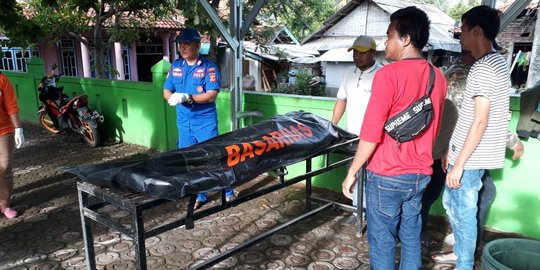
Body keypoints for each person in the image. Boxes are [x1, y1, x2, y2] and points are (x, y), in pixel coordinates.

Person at [341, 7, 447, 269]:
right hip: (421, 173)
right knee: (411, 236)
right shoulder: (438, 76)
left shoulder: (388, 74)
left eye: (389, 36)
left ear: (406, 39)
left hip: (387, 174)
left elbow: (371, 132)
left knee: (383, 240)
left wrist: (353, 170)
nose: (386, 42)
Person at [423, 50, 524, 259]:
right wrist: (512, 141)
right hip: (452, 149)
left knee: (472, 195)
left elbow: (485, 118)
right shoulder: (463, 75)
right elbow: (478, 120)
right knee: (436, 194)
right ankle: (459, 248)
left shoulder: (466, 71)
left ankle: (463, 244)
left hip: (459, 149)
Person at [441, 6, 511, 270]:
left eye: (463, 29)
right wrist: (452, 147)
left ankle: (464, 264)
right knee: (454, 206)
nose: (460, 36)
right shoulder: (498, 62)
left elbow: (480, 120)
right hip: (469, 152)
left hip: (470, 157)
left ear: (476, 31)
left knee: (463, 212)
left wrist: (459, 162)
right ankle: (462, 255)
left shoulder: (483, 68)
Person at [163, 28, 234, 209]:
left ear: (197, 45)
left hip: (205, 122)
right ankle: (199, 195)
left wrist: (189, 97)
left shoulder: (209, 67)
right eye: (180, 44)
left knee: (213, 157)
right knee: (190, 160)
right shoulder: (176, 66)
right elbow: (166, 89)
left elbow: (211, 95)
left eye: (186, 43)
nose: (182, 47)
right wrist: (171, 97)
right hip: (184, 122)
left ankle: (227, 190)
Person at [331, 35, 381, 216]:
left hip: (373, 138)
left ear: (373, 53)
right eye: (355, 52)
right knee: (352, 174)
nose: (357, 56)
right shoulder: (347, 74)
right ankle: (357, 212)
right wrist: (333, 125)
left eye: (362, 52)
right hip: (351, 136)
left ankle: (367, 213)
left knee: (369, 178)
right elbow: (341, 100)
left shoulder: (381, 74)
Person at [0, 72, 25, 219]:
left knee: (4, 168)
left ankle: (4, 205)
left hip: (4, 132)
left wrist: (18, 128)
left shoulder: (2, 79)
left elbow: (11, 105)